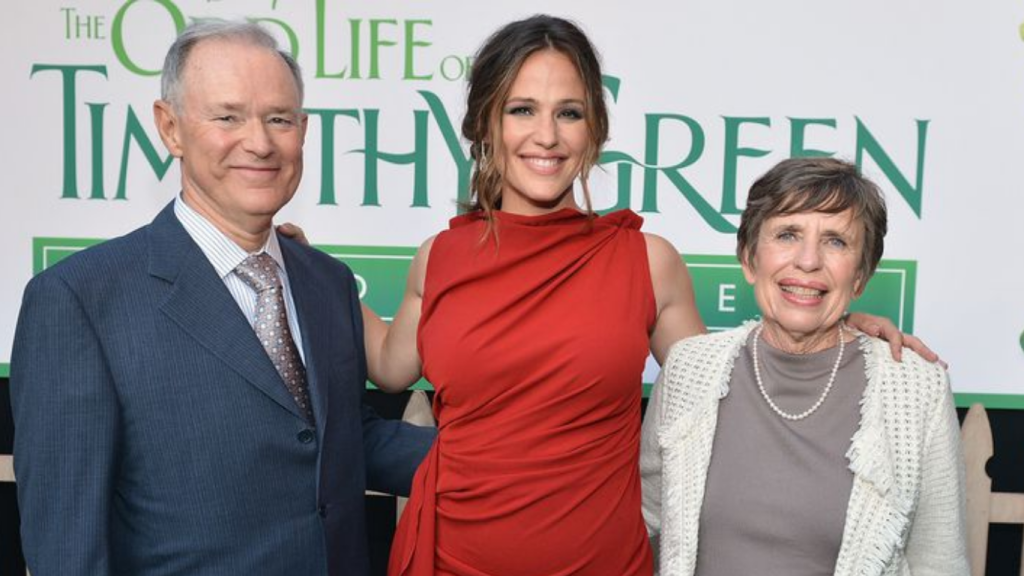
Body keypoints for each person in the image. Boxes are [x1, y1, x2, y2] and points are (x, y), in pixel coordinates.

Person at [334, 15, 929, 576]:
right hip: (450, 555)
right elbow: (390, 367)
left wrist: (838, 331)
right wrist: (308, 270)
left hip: (599, 561)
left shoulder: (646, 261)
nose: (547, 135)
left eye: (569, 112)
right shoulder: (438, 258)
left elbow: (730, 384)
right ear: (485, 123)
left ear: (594, 128)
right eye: (522, 110)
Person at [9, 21, 433, 576]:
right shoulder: (78, 301)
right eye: (227, 116)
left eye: (278, 119)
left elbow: (342, 441)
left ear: (303, 131)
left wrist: (521, 457)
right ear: (171, 128)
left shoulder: (327, 281)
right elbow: (68, 547)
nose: (259, 142)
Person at [639, 157, 967, 575]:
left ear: (861, 275)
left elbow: (940, 562)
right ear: (748, 258)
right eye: (787, 234)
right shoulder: (689, 367)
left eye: (836, 241)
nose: (808, 260)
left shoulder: (916, 387)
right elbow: (646, 522)